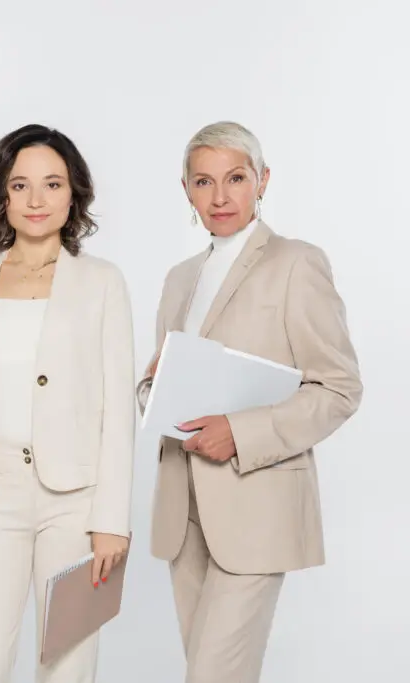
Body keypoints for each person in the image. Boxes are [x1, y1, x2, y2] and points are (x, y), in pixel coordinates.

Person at [137, 121, 363, 683]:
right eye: (204, 181)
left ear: (262, 180)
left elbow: (338, 387)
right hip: (182, 510)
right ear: (185, 189)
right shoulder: (178, 279)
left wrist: (240, 432)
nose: (220, 197)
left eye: (235, 178)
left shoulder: (296, 263)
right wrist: (150, 388)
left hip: (255, 504)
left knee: (211, 675)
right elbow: (156, 384)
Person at [0, 123, 136, 683]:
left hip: (77, 502)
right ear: (2, 196)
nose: (37, 200)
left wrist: (112, 520)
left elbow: (118, 411)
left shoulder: (103, 283)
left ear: (74, 194)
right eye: (20, 186)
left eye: (52, 184)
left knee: (69, 664)